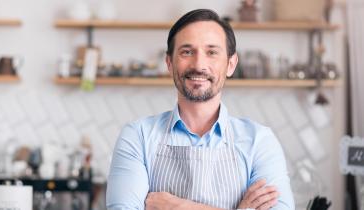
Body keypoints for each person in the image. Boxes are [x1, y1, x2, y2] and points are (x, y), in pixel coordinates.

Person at [106, 9, 294, 210]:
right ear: (169, 63)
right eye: (187, 52)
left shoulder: (259, 141)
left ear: (231, 64)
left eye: (212, 52)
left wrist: (178, 206)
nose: (199, 64)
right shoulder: (138, 137)